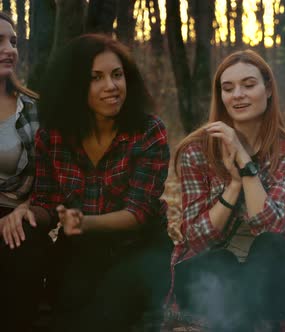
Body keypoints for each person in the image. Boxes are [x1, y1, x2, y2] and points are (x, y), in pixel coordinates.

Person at [29, 34, 172, 332]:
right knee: (62, 317)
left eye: (117, 75)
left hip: (140, 249)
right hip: (82, 251)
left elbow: (139, 213)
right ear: (74, 85)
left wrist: (83, 223)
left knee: (109, 315)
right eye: (96, 78)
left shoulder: (148, 131)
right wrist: (26, 212)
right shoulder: (53, 136)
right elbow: (44, 200)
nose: (111, 86)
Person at [169, 49, 285, 331]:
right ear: (220, 96)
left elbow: (271, 225)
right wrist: (233, 186)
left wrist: (245, 164)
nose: (238, 95)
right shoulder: (196, 149)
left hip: (267, 271)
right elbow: (195, 238)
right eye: (228, 88)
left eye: (249, 85)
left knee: (271, 244)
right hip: (206, 272)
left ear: (268, 89)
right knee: (222, 261)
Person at [0, 11, 49, 331]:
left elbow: (50, 178)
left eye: (13, 42)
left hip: (19, 214)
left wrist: (25, 208)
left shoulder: (33, 108)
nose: (9, 49)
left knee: (21, 248)